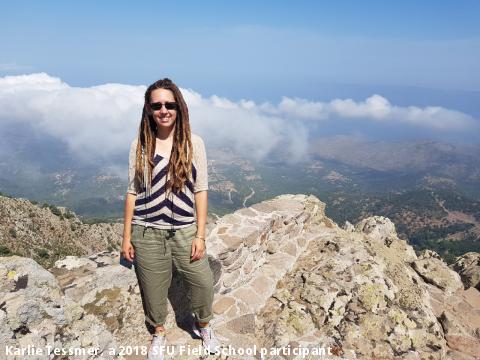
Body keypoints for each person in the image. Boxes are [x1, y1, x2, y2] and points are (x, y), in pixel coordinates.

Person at [121, 78, 220, 360]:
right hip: (147, 230)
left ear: (179, 107)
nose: (163, 110)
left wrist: (200, 235)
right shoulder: (139, 145)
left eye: (169, 104)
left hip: (185, 231)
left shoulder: (193, 143)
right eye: (157, 105)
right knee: (152, 290)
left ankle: (204, 326)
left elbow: (201, 190)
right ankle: (158, 333)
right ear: (149, 110)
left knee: (202, 282)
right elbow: (132, 191)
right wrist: (126, 237)